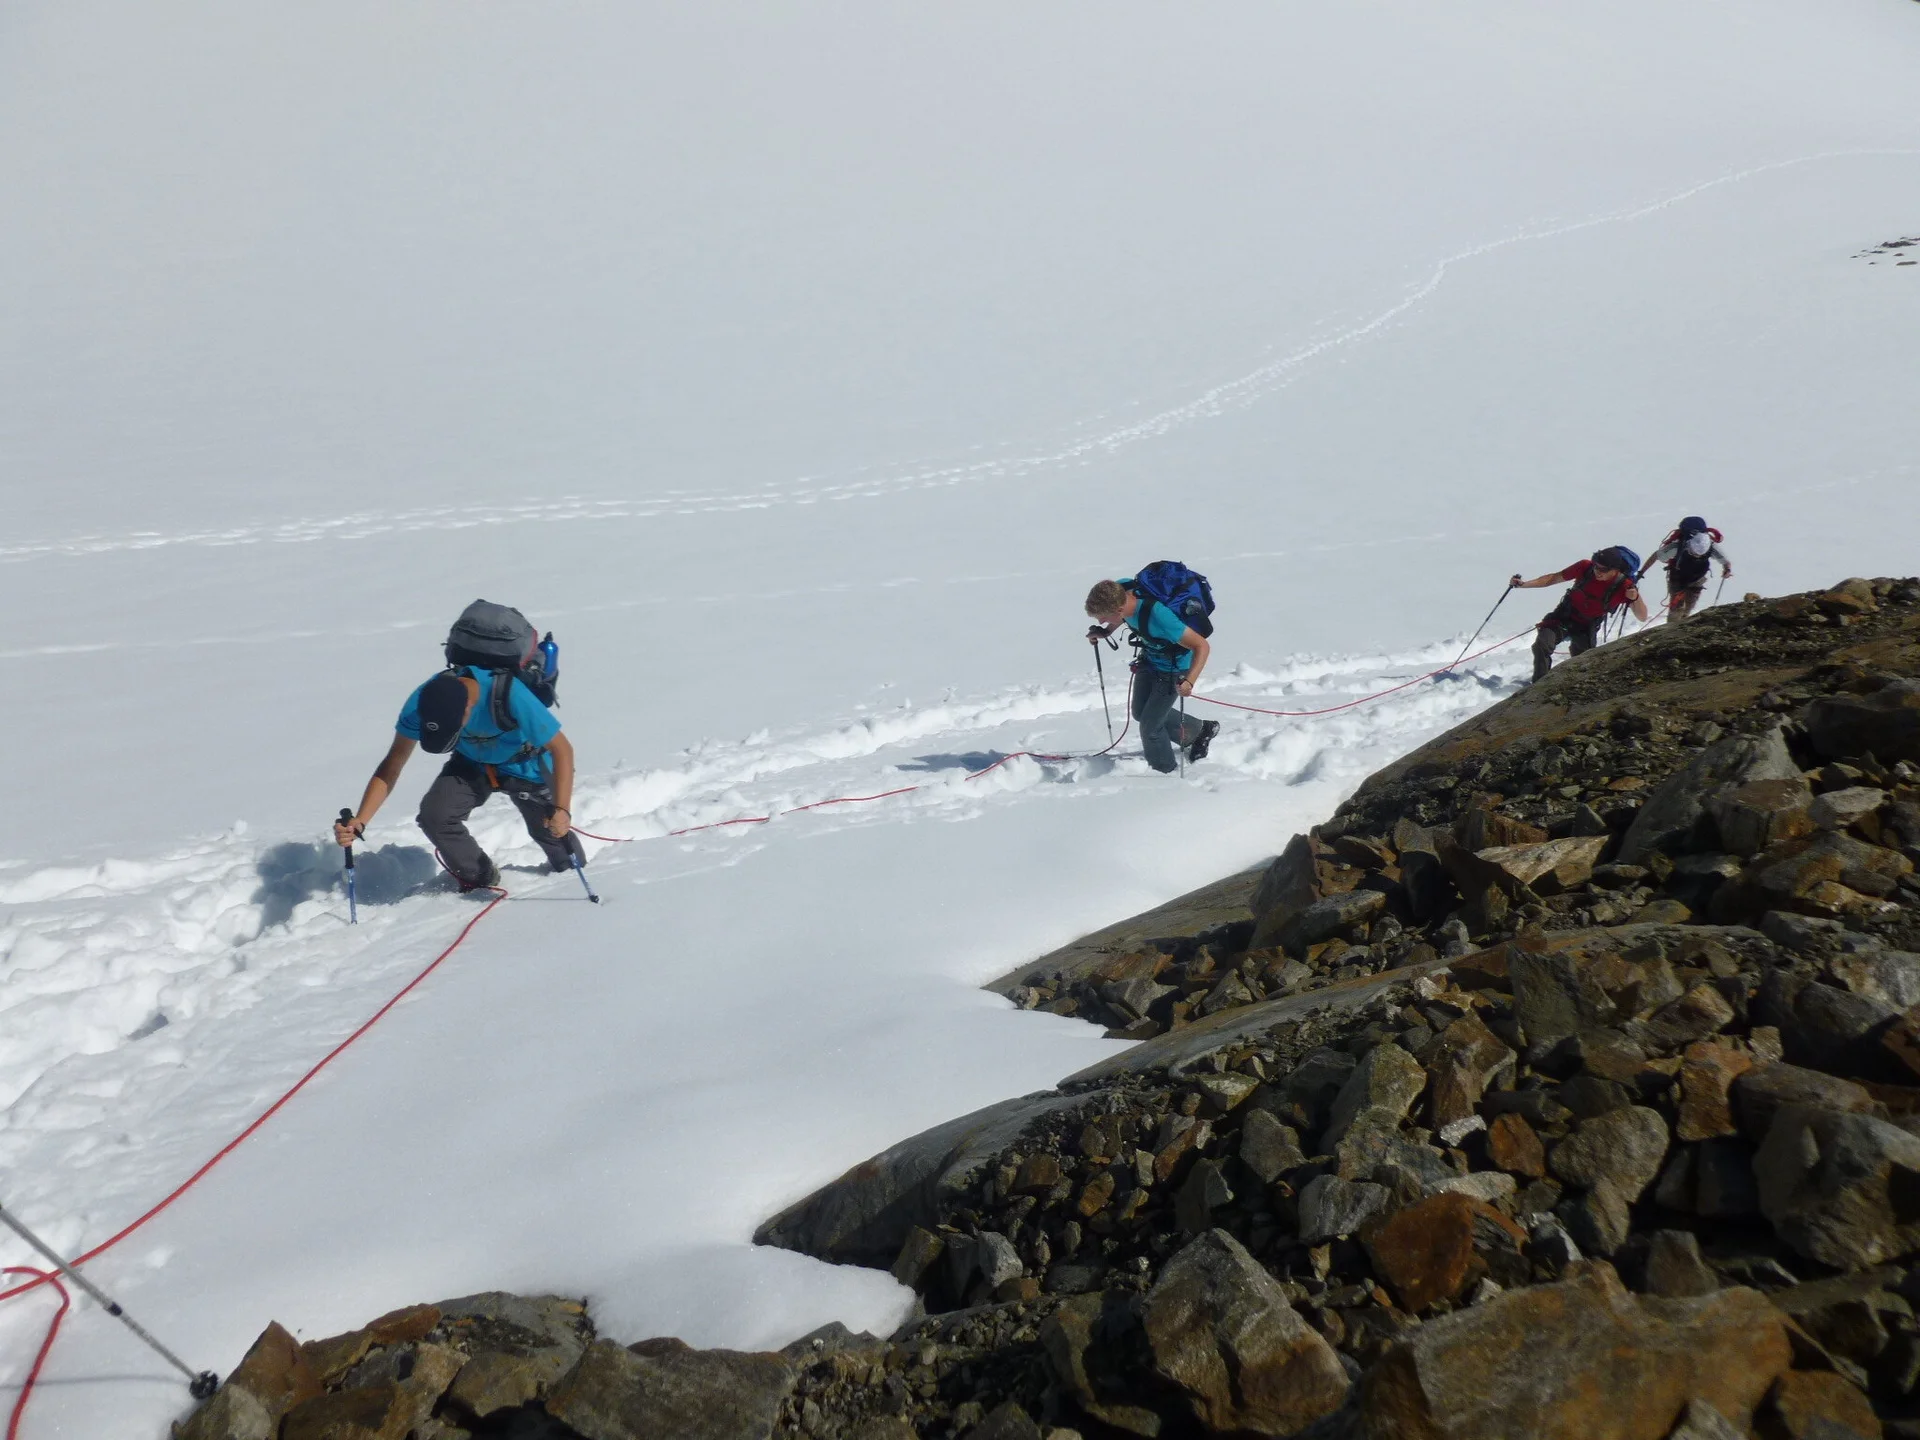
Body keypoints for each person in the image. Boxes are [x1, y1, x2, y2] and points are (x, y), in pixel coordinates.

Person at [332, 664, 583, 891]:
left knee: (550, 830)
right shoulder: (421, 703)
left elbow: (562, 750)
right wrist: (361, 820)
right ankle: (482, 880)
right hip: (472, 763)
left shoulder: (509, 694)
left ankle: (573, 876)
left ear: (467, 712)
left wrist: (561, 808)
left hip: (526, 765)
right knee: (436, 815)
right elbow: (393, 762)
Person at [1084, 578, 1220, 773]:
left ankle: (1164, 773)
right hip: (1149, 660)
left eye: (1104, 618)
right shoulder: (1121, 589)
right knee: (1140, 712)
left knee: (1150, 727)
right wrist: (1106, 631)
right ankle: (1200, 730)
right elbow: (1119, 617)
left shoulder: (1159, 616)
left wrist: (1190, 680)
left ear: (1119, 609)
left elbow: (1202, 646)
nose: (1101, 621)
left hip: (1174, 669)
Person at [1511, 546, 1649, 683]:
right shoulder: (1585, 567)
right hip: (1563, 616)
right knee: (1541, 645)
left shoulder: (1625, 586)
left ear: (1616, 569)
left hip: (1587, 626)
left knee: (1583, 662)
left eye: (1603, 569)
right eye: (1596, 566)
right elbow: (1553, 578)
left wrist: (1635, 598)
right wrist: (1523, 584)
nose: (1597, 572)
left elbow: (1642, 617)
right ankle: (1539, 684)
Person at [1640, 516, 1732, 623]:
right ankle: (1670, 630)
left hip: (1697, 579)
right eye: (1693, 553)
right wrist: (1641, 572)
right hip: (1678, 579)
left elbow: (1725, 562)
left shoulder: (1711, 547)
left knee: (1688, 606)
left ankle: (1682, 625)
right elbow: (1656, 556)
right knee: (1676, 608)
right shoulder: (1677, 547)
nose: (1696, 555)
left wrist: (1727, 569)